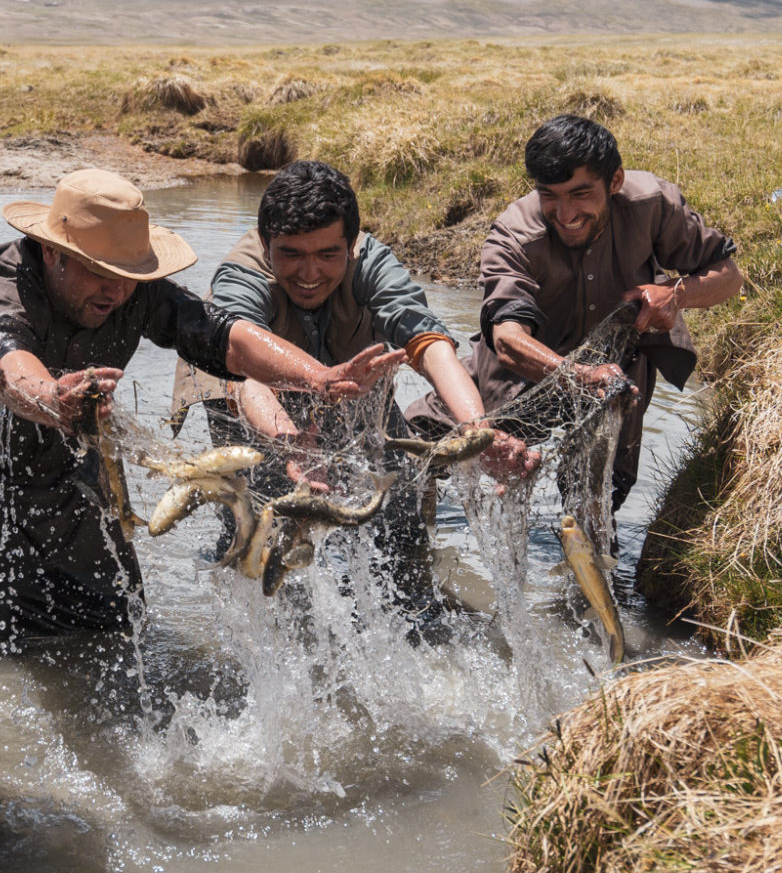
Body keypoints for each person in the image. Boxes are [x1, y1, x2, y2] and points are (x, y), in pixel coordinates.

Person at [0, 168, 401, 649]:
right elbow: (12, 366)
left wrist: (319, 376)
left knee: (115, 618)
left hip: (67, 457)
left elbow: (225, 338)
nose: (116, 290)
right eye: (97, 272)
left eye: (127, 274)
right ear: (52, 253)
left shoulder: (132, 290)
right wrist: (56, 399)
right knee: (4, 628)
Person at [179, 160, 536, 617]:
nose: (309, 273)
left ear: (351, 246)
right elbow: (245, 370)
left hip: (351, 381)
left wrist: (478, 431)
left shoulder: (373, 263)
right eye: (291, 254)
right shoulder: (241, 275)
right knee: (260, 520)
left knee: (397, 497)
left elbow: (427, 344)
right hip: (249, 393)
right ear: (267, 247)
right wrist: (289, 443)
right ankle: (264, 624)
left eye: (328, 255)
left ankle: (408, 613)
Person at [412, 113, 742, 514]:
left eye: (581, 194)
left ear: (615, 181)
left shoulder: (653, 204)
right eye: (550, 195)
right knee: (420, 450)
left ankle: (590, 552)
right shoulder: (513, 235)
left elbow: (729, 277)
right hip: (527, 369)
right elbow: (508, 342)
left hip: (619, 371)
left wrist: (678, 295)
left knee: (601, 497)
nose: (565, 214)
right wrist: (581, 377)